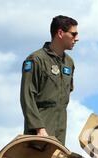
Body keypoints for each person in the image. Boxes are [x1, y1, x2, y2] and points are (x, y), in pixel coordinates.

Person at [20, 15, 79, 145]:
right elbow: (27, 96)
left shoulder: (69, 63)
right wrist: (39, 128)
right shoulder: (36, 60)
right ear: (60, 33)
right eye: (73, 34)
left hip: (60, 132)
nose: (77, 38)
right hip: (39, 133)